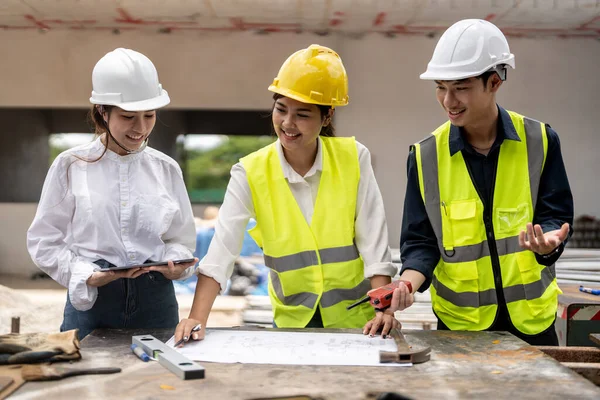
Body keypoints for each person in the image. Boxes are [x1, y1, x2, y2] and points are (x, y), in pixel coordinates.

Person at [175, 44, 398, 344]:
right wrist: (196, 319)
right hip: (293, 322)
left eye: (302, 114)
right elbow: (220, 253)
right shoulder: (250, 172)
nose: (287, 124)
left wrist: (383, 309)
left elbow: (374, 240)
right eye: (281, 109)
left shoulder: (353, 158)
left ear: (327, 116)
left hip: (357, 320)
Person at [390, 19, 574, 345]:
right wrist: (405, 284)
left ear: (494, 81)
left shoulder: (541, 141)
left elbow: (554, 215)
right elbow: (420, 243)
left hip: (532, 325)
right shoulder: (424, 157)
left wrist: (549, 243)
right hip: (461, 328)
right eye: (440, 87)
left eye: (460, 87)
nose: (448, 101)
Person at [27, 48, 198, 339]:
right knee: (85, 380)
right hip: (94, 298)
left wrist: (175, 264)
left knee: (156, 381)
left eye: (150, 115)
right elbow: (44, 241)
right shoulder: (71, 165)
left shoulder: (166, 169)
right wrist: (87, 275)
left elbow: (180, 239)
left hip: (156, 297)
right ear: (103, 112)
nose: (141, 128)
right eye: (129, 116)